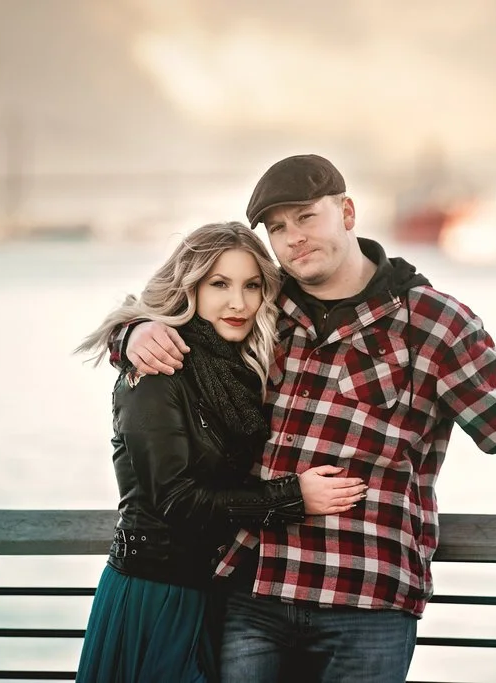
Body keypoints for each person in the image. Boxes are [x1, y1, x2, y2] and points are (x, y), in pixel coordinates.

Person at [113, 155, 496, 683]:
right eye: (279, 229)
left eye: (306, 218)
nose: (294, 238)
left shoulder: (429, 322)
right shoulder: (266, 304)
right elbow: (179, 326)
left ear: (347, 212)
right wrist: (131, 334)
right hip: (255, 587)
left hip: (366, 599)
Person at [73, 221, 368, 682]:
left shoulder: (244, 370)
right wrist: (292, 498)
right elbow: (174, 499)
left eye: (252, 286)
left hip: (220, 594)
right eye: (219, 284)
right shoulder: (156, 371)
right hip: (157, 594)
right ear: (189, 287)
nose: (239, 303)